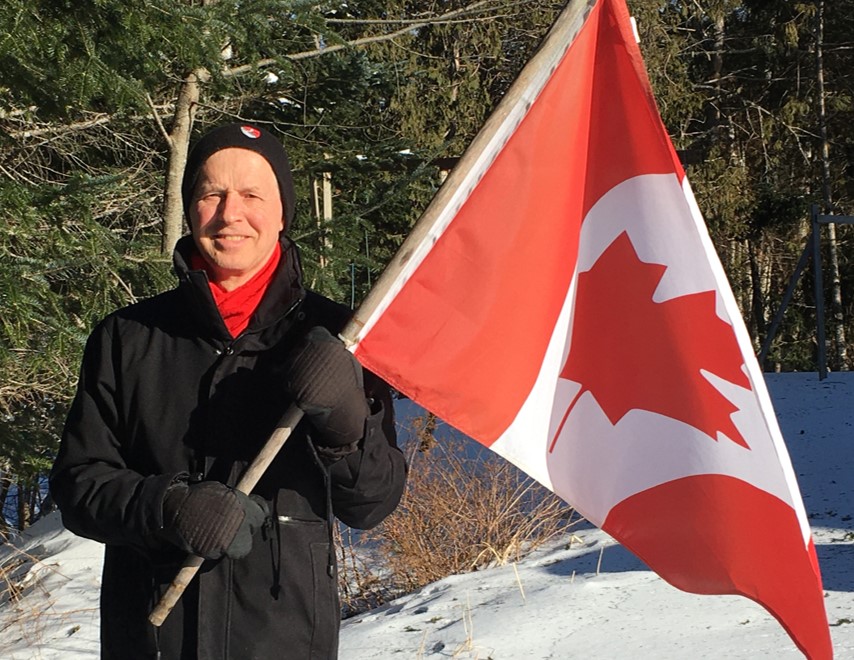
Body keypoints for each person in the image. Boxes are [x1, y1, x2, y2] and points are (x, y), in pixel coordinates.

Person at [49, 123, 407, 660]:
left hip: (285, 640)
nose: (229, 213)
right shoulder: (127, 338)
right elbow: (79, 485)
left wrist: (345, 423)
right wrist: (165, 508)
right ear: (191, 206)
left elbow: (373, 503)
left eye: (252, 195)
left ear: (283, 211)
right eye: (211, 193)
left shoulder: (341, 337)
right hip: (149, 639)